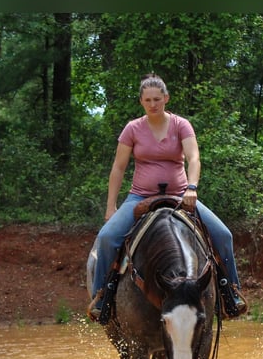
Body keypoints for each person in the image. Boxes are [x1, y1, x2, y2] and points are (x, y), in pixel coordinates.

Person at [88, 73, 247, 322]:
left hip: (180, 196)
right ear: (141, 101)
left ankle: (230, 293)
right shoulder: (132, 128)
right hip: (139, 196)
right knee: (107, 238)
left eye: (157, 99)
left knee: (223, 235)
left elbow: (194, 158)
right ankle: (101, 297)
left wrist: (191, 188)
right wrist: (111, 206)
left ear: (166, 98)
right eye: (148, 99)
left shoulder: (180, 125)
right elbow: (118, 168)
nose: (153, 104)